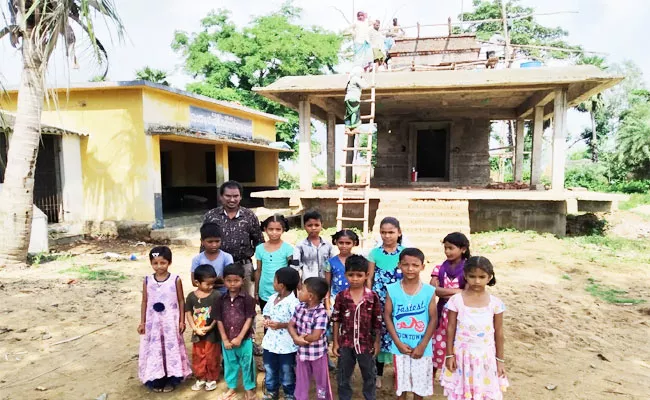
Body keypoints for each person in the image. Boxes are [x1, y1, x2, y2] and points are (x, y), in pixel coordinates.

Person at [440, 256, 509, 400]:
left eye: (482, 277)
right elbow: (450, 328)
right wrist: (449, 354)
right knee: (461, 393)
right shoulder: (456, 300)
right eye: (472, 276)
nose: (477, 281)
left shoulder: (495, 303)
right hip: (461, 356)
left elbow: (499, 333)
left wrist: (500, 360)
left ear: (489, 277)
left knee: (484, 392)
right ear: (465, 276)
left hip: (486, 357)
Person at [384, 248, 437, 400]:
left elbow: (433, 318)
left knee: (419, 387)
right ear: (399, 265)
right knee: (401, 385)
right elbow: (387, 315)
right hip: (400, 346)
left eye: (415, 265)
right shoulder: (392, 289)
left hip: (422, 347)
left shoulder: (429, 291)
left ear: (422, 266)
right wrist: (398, 342)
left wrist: (422, 345)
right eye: (406, 264)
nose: (410, 268)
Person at [137, 246, 191, 393]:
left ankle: (171, 378)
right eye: (155, 263)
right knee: (155, 349)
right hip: (153, 323)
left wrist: (181, 320)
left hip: (170, 322)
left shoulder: (175, 280)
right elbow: (144, 301)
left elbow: (181, 300)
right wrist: (142, 322)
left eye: (163, 263)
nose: (159, 266)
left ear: (169, 262)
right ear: (151, 263)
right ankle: (156, 378)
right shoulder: (147, 280)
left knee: (170, 347)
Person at [331, 255, 382, 400]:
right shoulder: (341, 296)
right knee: (343, 374)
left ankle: (369, 397)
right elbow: (336, 319)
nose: (354, 279)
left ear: (366, 275)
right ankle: (344, 397)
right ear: (345, 274)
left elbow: (377, 321)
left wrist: (377, 342)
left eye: (359, 275)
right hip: (345, 343)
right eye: (350, 275)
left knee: (369, 374)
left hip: (366, 344)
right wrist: (335, 342)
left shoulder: (372, 297)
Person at [203, 180, 264, 297]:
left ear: (240, 197)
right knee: (218, 301)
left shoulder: (249, 216)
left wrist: (260, 270)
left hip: (243, 267)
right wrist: (206, 270)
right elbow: (204, 243)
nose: (232, 200)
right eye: (228, 196)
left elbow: (259, 243)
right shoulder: (211, 216)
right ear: (221, 197)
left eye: (235, 196)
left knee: (244, 301)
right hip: (218, 267)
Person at [367, 216, 404, 388]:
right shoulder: (374, 253)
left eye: (391, 232)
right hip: (379, 301)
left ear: (399, 233)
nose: (387, 236)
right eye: (383, 232)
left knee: (400, 334)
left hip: (400, 302)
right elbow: (369, 278)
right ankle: (378, 374)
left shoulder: (405, 253)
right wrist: (369, 298)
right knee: (379, 336)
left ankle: (400, 372)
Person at [215, 263, 258, 400]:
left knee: (247, 364)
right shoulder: (220, 299)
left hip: (244, 340)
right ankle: (232, 387)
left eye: (236, 280)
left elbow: (249, 318)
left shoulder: (248, 299)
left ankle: (249, 389)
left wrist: (240, 337)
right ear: (223, 280)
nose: (232, 284)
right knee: (230, 364)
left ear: (242, 280)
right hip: (227, 340)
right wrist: (225, 339)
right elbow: (219, 320)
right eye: (229, 280)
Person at [430, 232, 470, 376]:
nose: (447, 252)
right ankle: (431, 375)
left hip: (461, 315)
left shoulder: (469, 270)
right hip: (442, 314)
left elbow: (467, 293)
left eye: (451, 248)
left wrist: (443, 291)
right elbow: (433, 290)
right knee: (437, 343)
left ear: (463, 249)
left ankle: (455, 378)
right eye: (445, 248)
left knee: (458, 345)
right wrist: (457, 291)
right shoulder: (439, 268)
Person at [288, 277, 333, 400]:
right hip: (302, 354)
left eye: (302, 290)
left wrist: (300, 339)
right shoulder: (299, 307)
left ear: (311, 296)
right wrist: (295, 337)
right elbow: (290, 325)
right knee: (301, 381)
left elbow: (315, 336)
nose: (299, 291)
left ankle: (323, 398)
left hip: (318, 355)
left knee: (321, 381)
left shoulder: (321, 313)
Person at [261, 267, 301, 400]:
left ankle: (289, 393)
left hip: (286, 345)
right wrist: (267, 320)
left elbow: (296, 322)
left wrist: (281, 325)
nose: (273, 283)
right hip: (270, 343)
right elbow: (266, 312)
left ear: (281, 285)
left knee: (287, 370)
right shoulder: (272, 298)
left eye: (274, 280)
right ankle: (272, 391)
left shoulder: (293, 303)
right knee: (270, 367)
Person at [185, 264, 221, 392]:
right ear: (197, 282)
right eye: (208, 284)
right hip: (197, 333)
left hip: (212, 334)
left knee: (212, 356)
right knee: (198, 355)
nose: (211, 287)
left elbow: (218, 314)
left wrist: (211, 326)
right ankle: (200, 377)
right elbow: (188, 313)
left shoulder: (216, 295)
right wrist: (195, 328)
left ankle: (211, 378)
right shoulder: (191, 297)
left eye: (213, 283)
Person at [255, 214, 294, 312]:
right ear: (265, 229)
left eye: (278, 229)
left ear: (283, 230)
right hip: (264, 291)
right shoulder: (260, 248)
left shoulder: (288, 249)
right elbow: (258, 270)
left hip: (282, 290)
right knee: (267, 320)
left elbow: (292, 271)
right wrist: (256, 292)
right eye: (271, 229)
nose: (274, 233)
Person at [191, 223, 234, 295]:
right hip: (204, 295)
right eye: (210, 242)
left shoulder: (227, 257)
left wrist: (206, 282)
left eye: (217, 241)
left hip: (224, 294)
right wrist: (218, 280)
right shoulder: (197, 259)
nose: (214, 245)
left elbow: (230, 280)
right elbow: (194, 282)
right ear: (202, 241)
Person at [324, 229, 360, 311]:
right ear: (336, 242)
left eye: (348, 243)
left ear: (354, 243)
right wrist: (328, 307)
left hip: (355, 300)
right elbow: (327, 285)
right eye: (341, 243)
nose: (344, 246)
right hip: (336, 301)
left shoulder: (358, 260)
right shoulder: (330, 263)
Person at [293, 210, 334, 282]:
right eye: (310, 225)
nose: (313, 228)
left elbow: (332, 265)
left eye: (317, 225)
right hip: (308, 284)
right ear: (304, 226)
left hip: (324, 283)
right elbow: (296, 268)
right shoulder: (300, 246)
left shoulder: (327, 245)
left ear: (322, 225)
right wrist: (299, 286)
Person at [344, 66, 368, 135]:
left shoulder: (350, 79)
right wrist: (363, 79)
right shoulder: (356, 78)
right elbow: (365, 86)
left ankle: (347, 128)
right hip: (354, 98)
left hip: (347, 98)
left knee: (348, 114)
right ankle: (355, 128)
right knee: (355, 113)